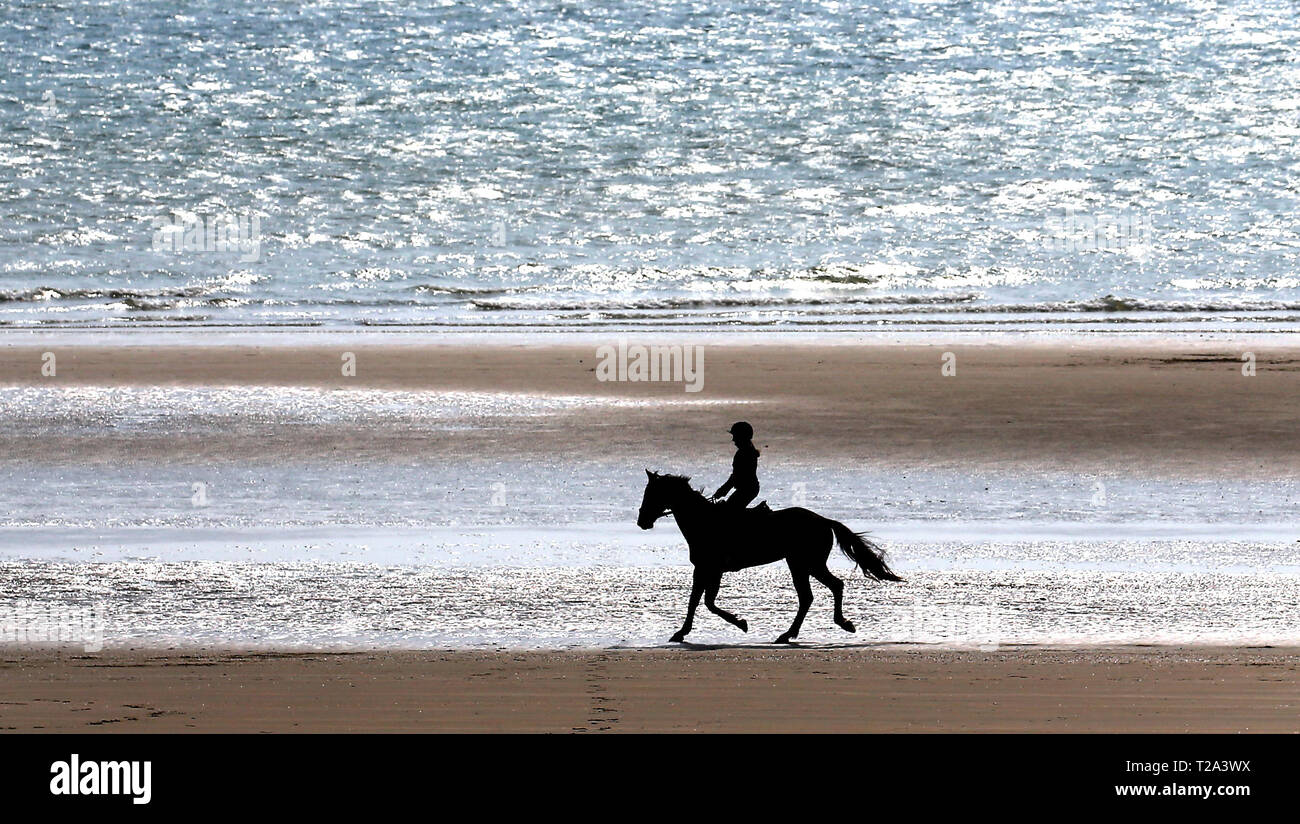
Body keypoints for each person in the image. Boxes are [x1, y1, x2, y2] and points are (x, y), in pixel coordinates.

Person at [712, 421, 760, 509]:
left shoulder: (743, 454)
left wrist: (722, 491)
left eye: (735, 436)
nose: (733, 439)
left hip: (747, 490)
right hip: (749, 489)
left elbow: (736, 476)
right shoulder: (748, 451)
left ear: (741, 437)